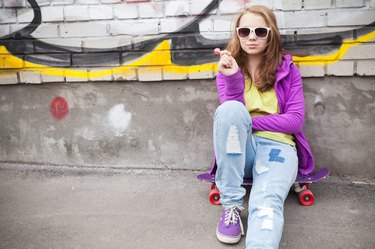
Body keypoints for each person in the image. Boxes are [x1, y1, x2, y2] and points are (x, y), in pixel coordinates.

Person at [213, 5, 315, 249]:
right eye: (244, 31)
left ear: (271, 34)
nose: (251, 37)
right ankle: (232, 207)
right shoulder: (226, 69)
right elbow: (232, 120)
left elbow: (294, 121)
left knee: (266, 201)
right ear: (237, 34)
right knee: (229, 110)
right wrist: (233, 79)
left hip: (278, 147)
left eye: (259, 31)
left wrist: (250, 122)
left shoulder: (288, 70)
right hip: (241, 148)